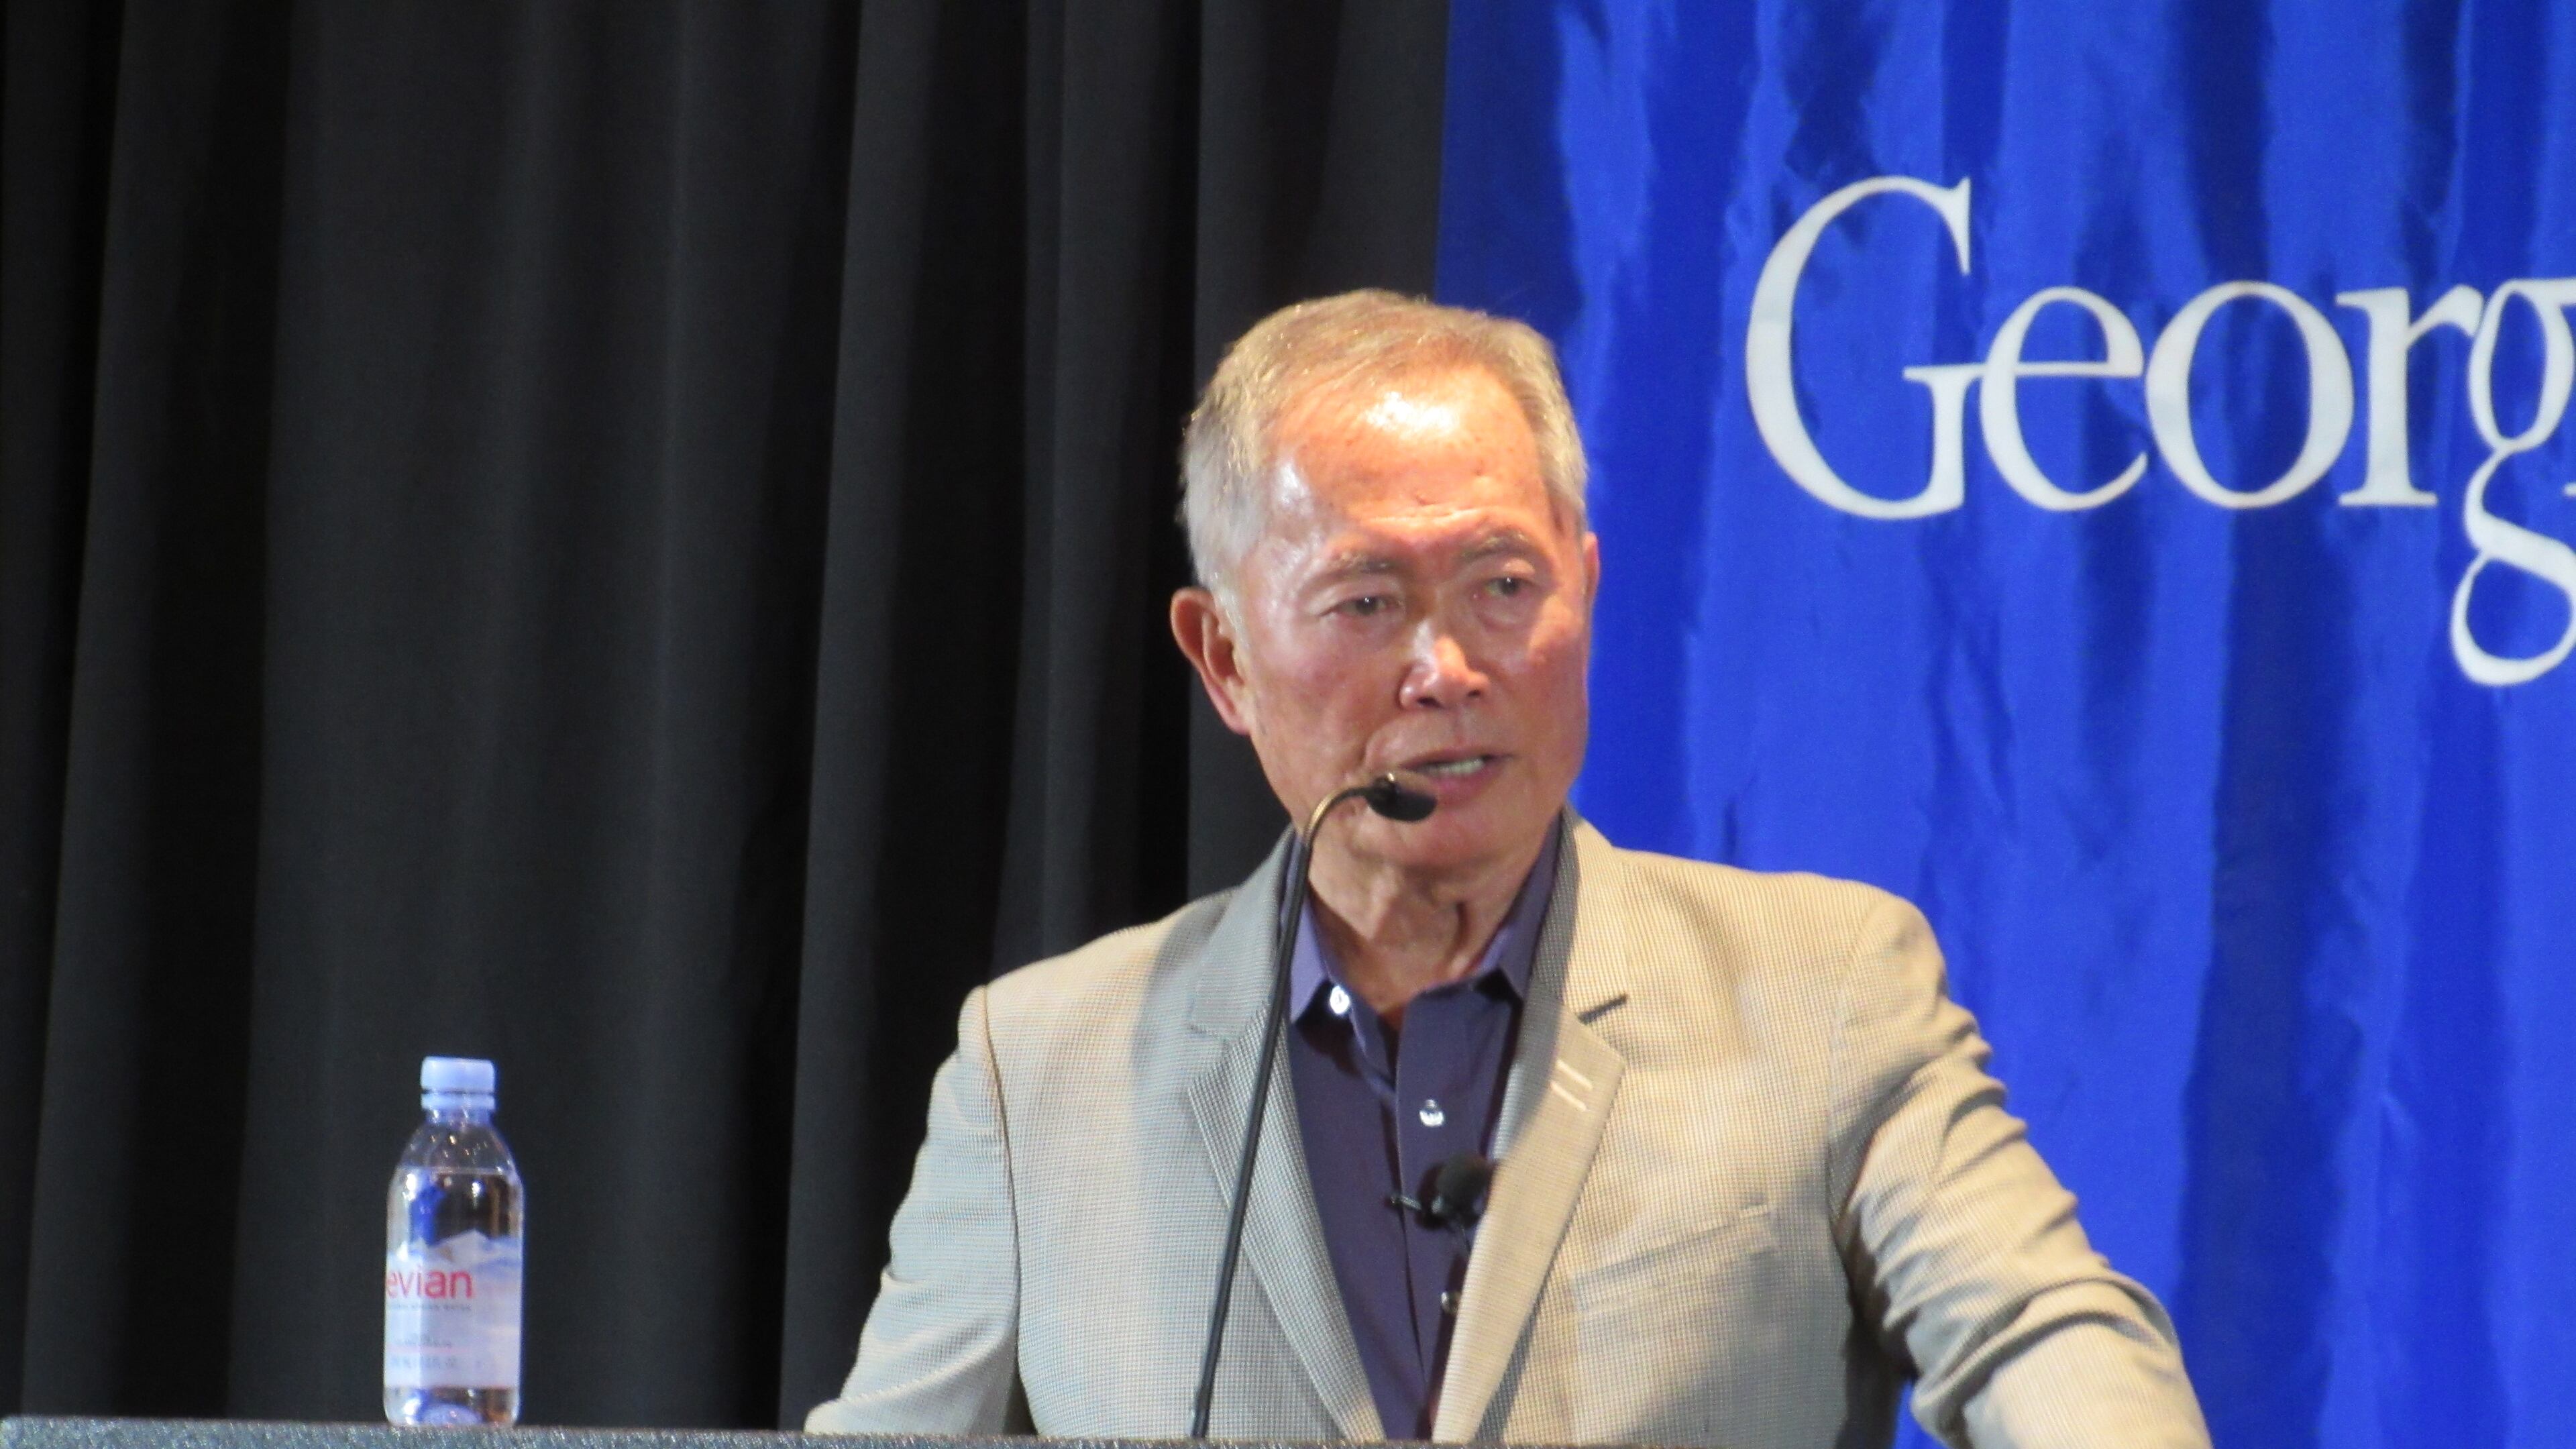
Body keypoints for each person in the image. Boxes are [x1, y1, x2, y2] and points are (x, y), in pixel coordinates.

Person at [806, 291, 2210, 1448]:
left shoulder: (1828, 991)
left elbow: (2046, 1331)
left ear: (1585, 591)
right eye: (1366, 602)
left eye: (1503, 586)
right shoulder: (1038, 1065)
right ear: (1223, 658)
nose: (1451, 671)